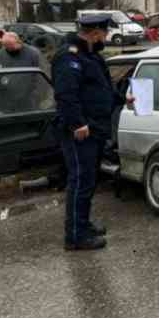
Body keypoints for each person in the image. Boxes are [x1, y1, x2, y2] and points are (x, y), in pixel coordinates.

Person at [51, 14, 131, 251]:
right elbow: (66, 94)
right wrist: (78, 124)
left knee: (89, 180)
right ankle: (75, 236)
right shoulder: (69, 56)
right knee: (80, 181)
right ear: (95, 33)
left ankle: (83, 224)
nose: (106, 37)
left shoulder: (91, 56)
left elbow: (102, 90)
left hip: (95, 128)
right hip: (79, 131)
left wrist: (123, 99)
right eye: (105, 33)